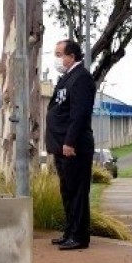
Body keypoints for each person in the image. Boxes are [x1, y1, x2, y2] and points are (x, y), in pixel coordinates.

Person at [45, 39, 96, 251]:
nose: (57, 58)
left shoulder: (82, 78)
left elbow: (79, 113)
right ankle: (70, 231)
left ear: (71, 56)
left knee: (77, 192)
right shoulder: (67, 77)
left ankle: (79, 235)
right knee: (67, 191)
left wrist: (69, 141)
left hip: (73, 146)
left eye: (59, 54)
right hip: (60, 145)